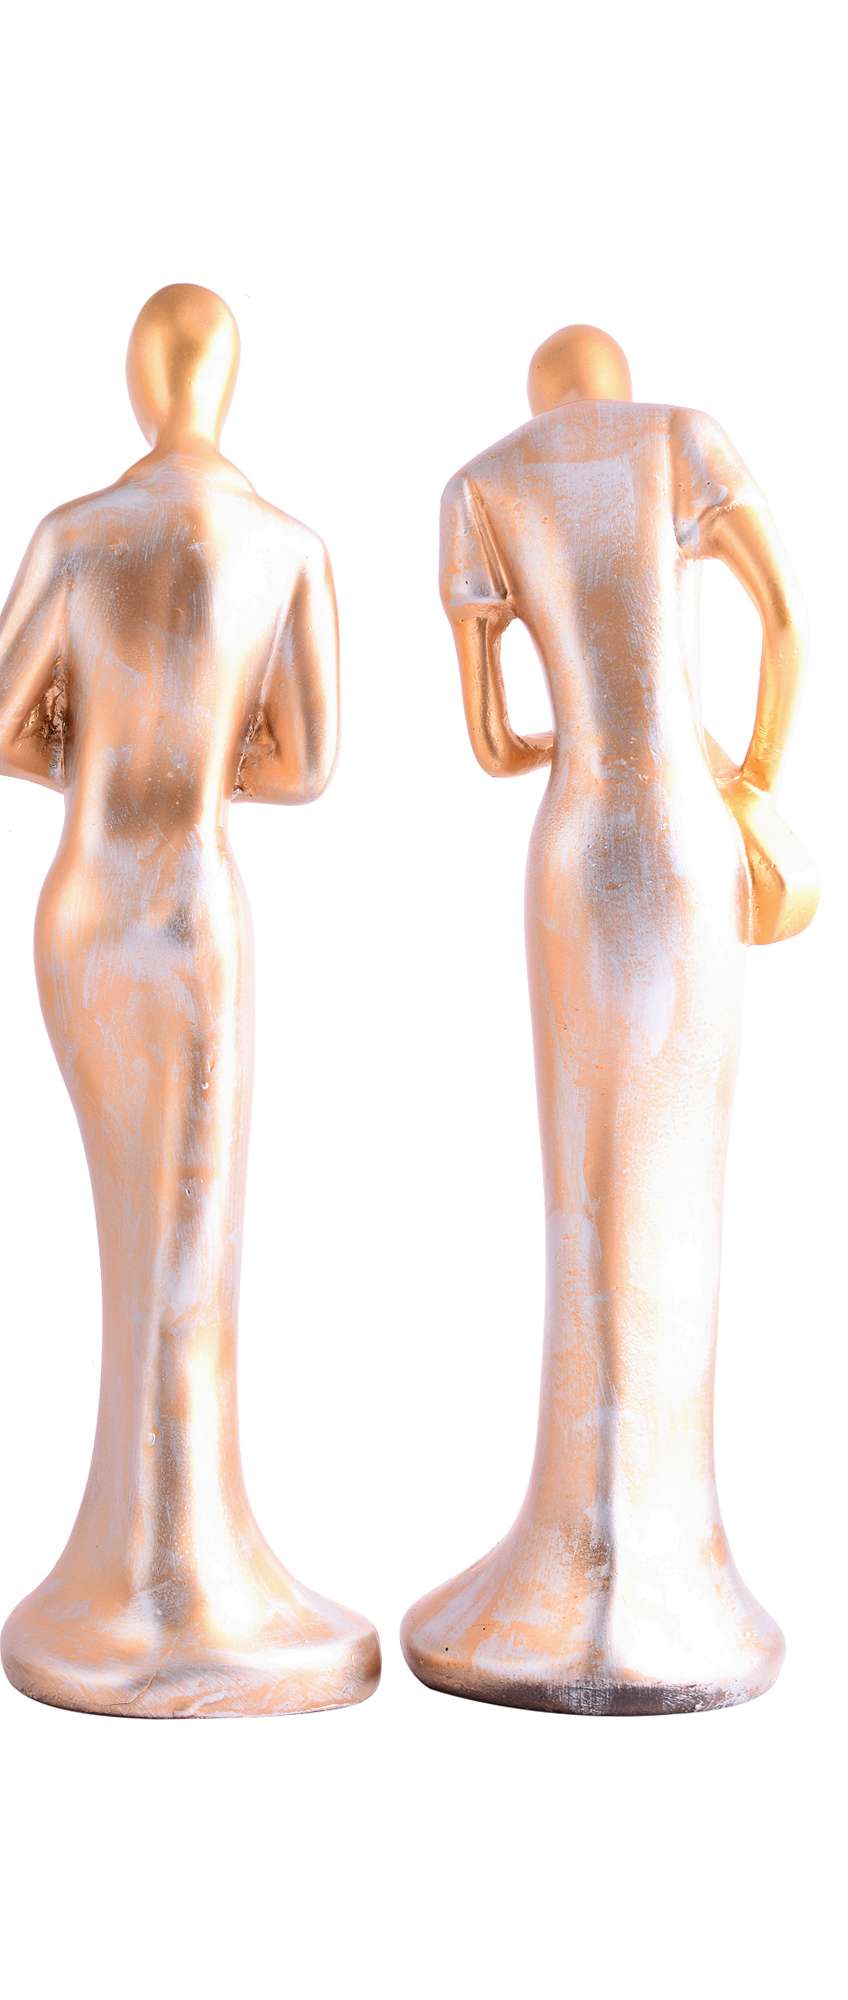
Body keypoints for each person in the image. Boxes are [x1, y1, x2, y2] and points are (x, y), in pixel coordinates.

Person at [0, 284, 377, 1717]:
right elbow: (307, 766)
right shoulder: (288, 545)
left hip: (83, 902)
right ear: (226, 386)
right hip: (191, 903)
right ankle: (182, 1571)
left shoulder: (77, 534)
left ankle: (129, 1567)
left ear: (142, 388)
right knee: (188, 1244)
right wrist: (203, 754)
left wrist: (91, 756)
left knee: (139, 1233)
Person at [403, 325, 806, 1712]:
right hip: (689, 836)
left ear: (538, 394)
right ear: (616, 376)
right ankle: (675, 1569)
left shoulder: (482, 487)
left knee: (589, 1179)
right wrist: (749, 778)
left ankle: (575, 1558)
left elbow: (491, 741)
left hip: (576, 838)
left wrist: (568, 739)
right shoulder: (683, 438)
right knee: (683, 1177)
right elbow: (787, 623)